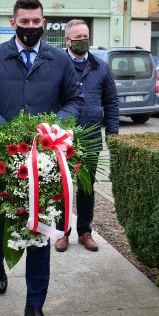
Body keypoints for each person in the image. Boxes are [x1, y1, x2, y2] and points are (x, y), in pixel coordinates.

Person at [0, 0, 83, 316]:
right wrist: (6, 133)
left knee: (40, 231)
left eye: (37, 22)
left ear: (43, 23)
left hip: (46, 161)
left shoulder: (59, 61)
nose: (31, 27)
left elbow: (75, 100)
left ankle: (34, 305)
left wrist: (54, 128)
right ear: (13, 21)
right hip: (4, 159)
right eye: (25, 22)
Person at [54, 19, 119, 253]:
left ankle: (84, 231)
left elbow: (111, 101)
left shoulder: (101, 67)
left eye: (85, 36)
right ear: (67, 40)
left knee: (86, 187)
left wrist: (113, 133)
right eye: (77, 37)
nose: (83, 41)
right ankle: (61, 232)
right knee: (61, 187)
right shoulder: (57, 65)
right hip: (62, 139)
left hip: (91, 138)